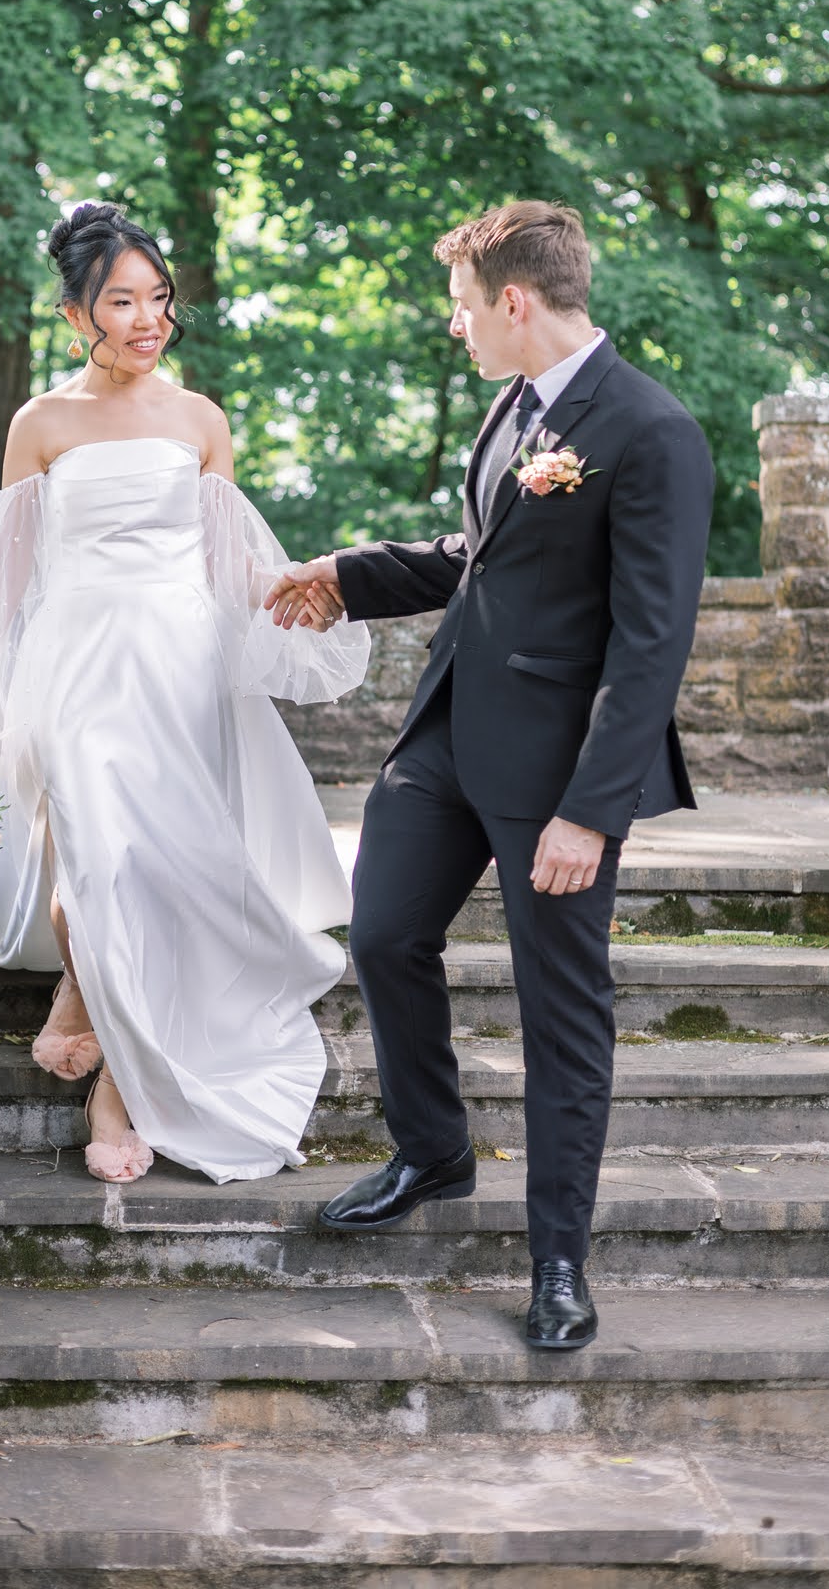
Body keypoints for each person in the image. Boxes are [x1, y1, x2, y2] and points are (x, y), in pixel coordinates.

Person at [265, 200, 714, 1350]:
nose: (455, 329)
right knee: (379, 934)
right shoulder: (512, 410)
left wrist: (591, 810)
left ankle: (559, 1259)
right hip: (447, 737)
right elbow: (483, 557)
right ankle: (432, 1150)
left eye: (464, 308)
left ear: (515, 300)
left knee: (564, 1012)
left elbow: (649, 641)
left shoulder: (653, 431)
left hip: (557, 774)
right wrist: (344, 571)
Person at [0, 202, 369, 1186]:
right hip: (77, 668)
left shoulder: (201, 419)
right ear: (78, 314)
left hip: (181, 666)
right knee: (97, 867)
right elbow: (5, 581)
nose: (148, 317)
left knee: (158, 871)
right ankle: (89, 989)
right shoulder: (40, 425)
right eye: (122, 300)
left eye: (159, 297)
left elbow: (226, 560)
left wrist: (300, 593)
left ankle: (114, 1078)